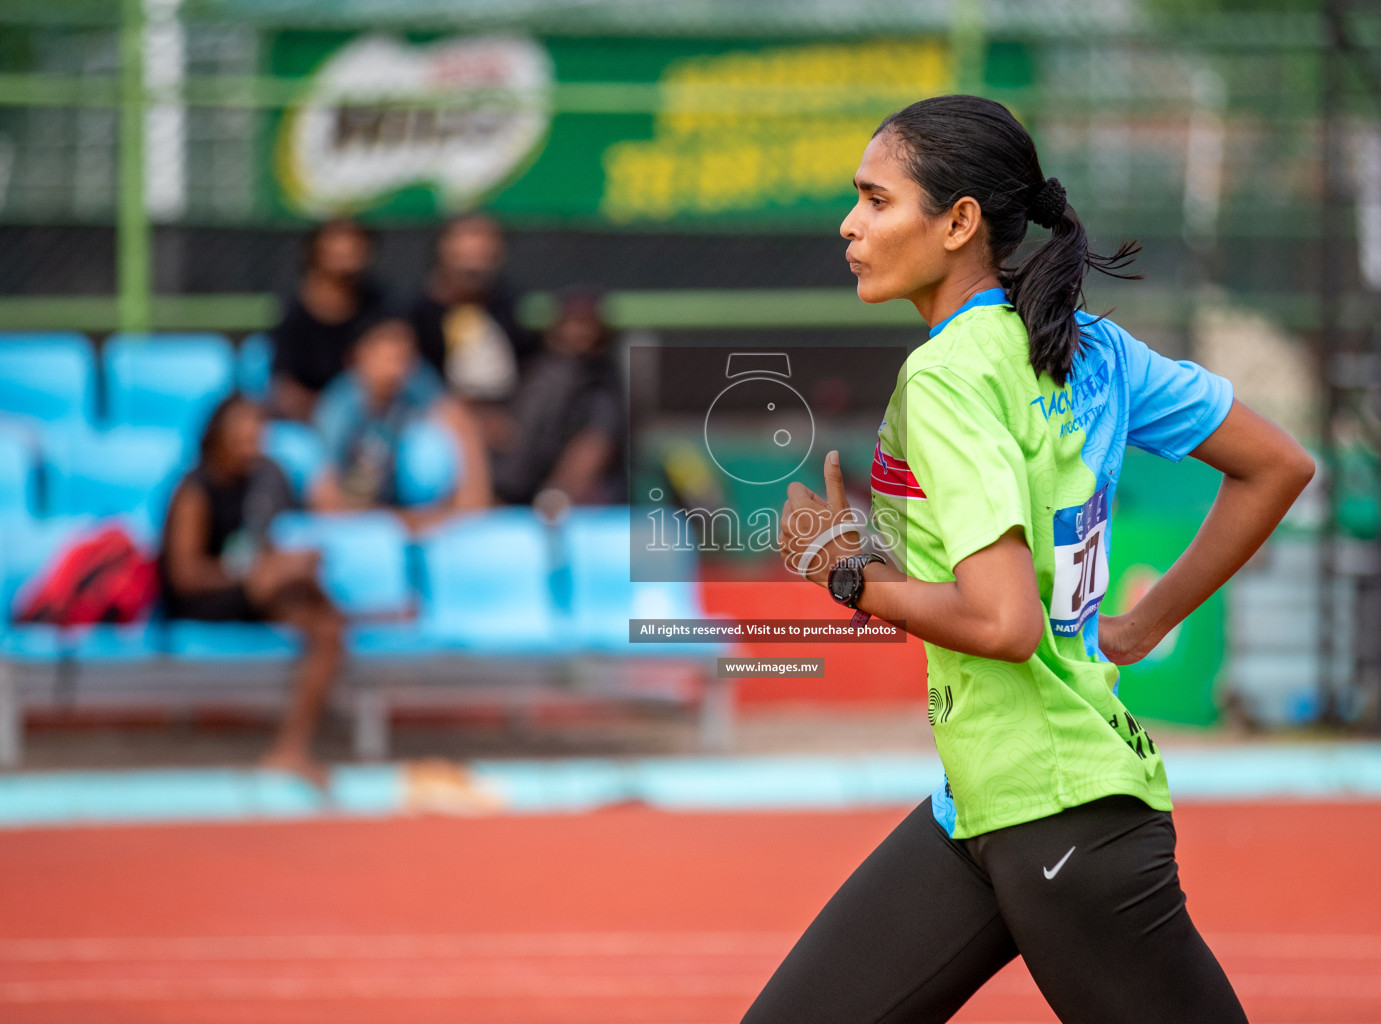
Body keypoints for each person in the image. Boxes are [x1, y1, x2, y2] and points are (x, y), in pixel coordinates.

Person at [758, 95, 1314, 1024]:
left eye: (876, 199)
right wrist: (1142, 623)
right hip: (985, 807)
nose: (850, 224)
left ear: (959, 223)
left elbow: (1005, 625)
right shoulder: (1090, 346)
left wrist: (853, 579)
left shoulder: (944, 376)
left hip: (1062, 814)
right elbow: (1276, 464)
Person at [160, 395, 343, 784]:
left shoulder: (263, 481)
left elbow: (262, 547)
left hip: (248, 591)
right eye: (242, 430)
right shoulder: (194, 491)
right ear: (218, 436)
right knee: (279, 581)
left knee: (322, 619)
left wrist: (287, 565)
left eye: (258, 430)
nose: (252, 438)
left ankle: (292, 748)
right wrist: (253, 575)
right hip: (200, 601)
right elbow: (184, 576)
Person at [308, 313, 492, 530]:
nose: (398, 369)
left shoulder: (416, 382)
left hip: (407, 502)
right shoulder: (338, 408)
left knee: (430, 445)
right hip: (359, 510)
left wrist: (471, 510)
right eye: (389, 358)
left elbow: (460, 422)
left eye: (405, 358)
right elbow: (324, 496)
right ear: (361, 356)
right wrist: (399, 520)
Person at [488, 287, 626, 508]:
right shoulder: (536, 370)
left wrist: (556, 494)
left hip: (571, 504)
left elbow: (595, 443)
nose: (581, 332)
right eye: (573, 322)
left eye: (587, 324)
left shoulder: (602, 382)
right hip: (511, 492)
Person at [409, 213, 540, 408]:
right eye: (464, 258)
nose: (473, 268)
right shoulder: (417, 315)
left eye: (482, 258)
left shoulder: (516, 309)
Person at [268, 218, 387, 422]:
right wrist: (333, 415)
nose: (346, 248)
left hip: (375, 415)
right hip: (313, 419)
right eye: (337, 238)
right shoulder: (293, 313)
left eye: (353, 239)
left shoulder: (380, 305)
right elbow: (285, 391)